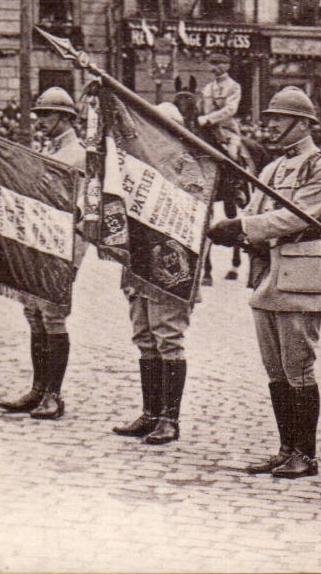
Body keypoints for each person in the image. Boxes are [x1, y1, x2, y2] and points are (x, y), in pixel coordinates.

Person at [207, 87, 321, 479]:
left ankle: (306, 454)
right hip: (268, 273)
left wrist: (241, 227)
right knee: (275, 368)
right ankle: (286, 449)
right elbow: (255, 210)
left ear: (303, 124)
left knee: (298, 366)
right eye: (271, 119)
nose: (272, 125)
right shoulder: (271, 168)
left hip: (302, 272)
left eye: (280, 119)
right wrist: (237, 230)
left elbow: (297, 217)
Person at [0, 87, 86, 421]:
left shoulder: (79, 155)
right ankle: (38, 389)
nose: (40, 121)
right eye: (39, 115)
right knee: (33, 313)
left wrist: (73, 258)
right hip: (38, 243)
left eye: (46, 115)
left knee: (52, 316)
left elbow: (83, 211)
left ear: (65, 118)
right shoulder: (50, 150)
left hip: (62, 247)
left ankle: (53, 395)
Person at [113, 101, 197, 445]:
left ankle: (169, 419)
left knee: (168, 338)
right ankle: (150, 413)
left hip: (171, 268)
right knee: (145, 338)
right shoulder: (139, 165)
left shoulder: (189, 167)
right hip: (139, 263)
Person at [198, 50, 243, 163]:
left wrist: (208, 119)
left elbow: (230, 109)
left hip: (225, 130)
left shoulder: (233, 86)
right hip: (205, 129)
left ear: (227, 66)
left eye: (218, 64)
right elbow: (200, 107)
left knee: (232, 156)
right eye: (212, 64)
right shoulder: (208, 87)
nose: (214, 67)